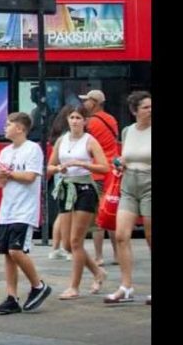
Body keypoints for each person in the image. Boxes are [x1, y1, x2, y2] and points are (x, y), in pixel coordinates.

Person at [0, 112, 53, 314]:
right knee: (7, 255)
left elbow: (30, 176)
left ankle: (38, 285)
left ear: (20, 128)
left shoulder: (33, 149)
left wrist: (9, 173)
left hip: (24, 210)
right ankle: (11, 296)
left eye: (9, 124)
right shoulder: (5, 152)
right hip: (6, 210)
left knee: (16, 251)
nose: (5, 127)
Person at [48, 105, 109, 300]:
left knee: (76, 241)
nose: (75, 121)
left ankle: (74, 286)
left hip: (84, 190)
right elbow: (49, 166)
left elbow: (104, 167)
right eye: (72, 117)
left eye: (78, 118)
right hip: (66, 188)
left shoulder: (90, 141)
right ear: (67, 120)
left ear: (85, 121)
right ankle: (97, 272)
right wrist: (59, 169)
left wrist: (82, 164)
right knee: (67, 244)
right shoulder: (61, 141)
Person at [105, 91, 152, 305]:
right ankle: (126, 286)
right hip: (128, 184)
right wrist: (119, 162)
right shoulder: (127, 131)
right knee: (122, 235)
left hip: (149, 184)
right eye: (145, 107)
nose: (150, 110)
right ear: (134, 111)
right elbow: (123, 156)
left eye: (151, 106)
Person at [79, 89, 120, 266]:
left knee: (98, 216)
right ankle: (118, 255)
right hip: (113, 171)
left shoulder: (91, 124)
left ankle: (99, 256)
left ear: (94, 103)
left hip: (97, 171)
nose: (84, 104)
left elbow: (87, 147)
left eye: (87, 101)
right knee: (112, 212)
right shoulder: (111, 119)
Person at [45, 105, 75, 261]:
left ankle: (57, 247)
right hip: (68, 178)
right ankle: (64, 247)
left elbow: (51, 166)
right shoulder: (67, 138)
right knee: (67, 214)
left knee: (62, 213)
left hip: (61, 177)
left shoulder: (59, 135)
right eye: (74, 117)